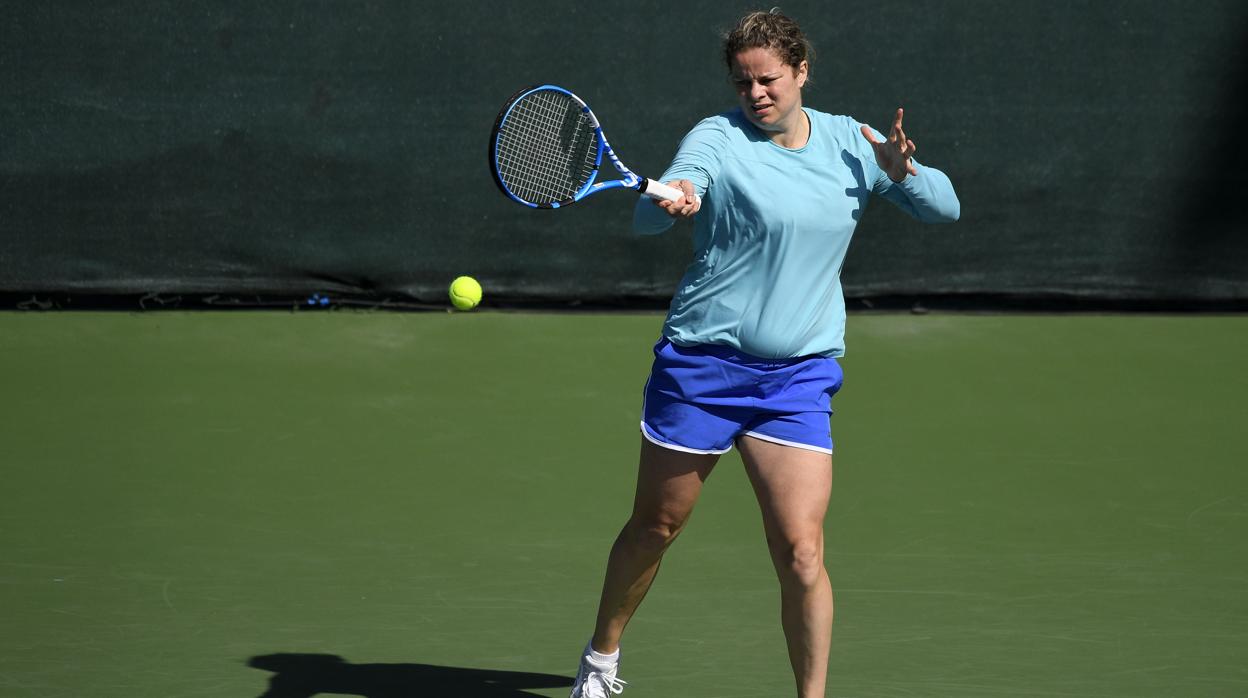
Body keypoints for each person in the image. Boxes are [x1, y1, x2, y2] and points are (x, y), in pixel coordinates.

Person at [569, 9, 959, 698]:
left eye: (770, 79)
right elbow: (654, 208)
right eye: (744, 82)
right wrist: (676, 197)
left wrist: (902, 173)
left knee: (803, 553)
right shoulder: (716, 139)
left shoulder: (852, 141)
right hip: (702, 368)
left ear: (802, 71)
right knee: (656, 526)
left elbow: (944, 209)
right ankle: (601, 661)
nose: (756, 94)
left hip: (797, 376)